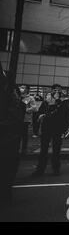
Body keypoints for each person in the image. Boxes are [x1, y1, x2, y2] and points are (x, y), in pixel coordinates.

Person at [31, 84, 69, 177]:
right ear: (51, 91)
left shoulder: (64, 101)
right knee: (43, 150)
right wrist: (41, 116)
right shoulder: (46, 101)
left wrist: (65, 129)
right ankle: (40, 169)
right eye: (55, 90)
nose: (57, 92)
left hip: (58, 129)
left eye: (59, 90)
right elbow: (41, 112)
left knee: (56, 150)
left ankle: (56, 169)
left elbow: (64, 115)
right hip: (46, 128)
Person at [0, 62, 24, 207]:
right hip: (8, 138)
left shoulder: (9, 91)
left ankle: (5, 193)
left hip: (7, 138)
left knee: (7, 168)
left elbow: (15, 116)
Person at [18, 85, 36, 155]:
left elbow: (35, 108)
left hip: (25, 119)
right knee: (17, 134)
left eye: (23, 87)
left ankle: (24, 149)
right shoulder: (17, 96)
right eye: (20, 87)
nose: (21, 89)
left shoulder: (30, 98)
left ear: (27, 89)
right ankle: (16, 148)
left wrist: (27, 110)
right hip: (17, 118)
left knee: (24, 135)